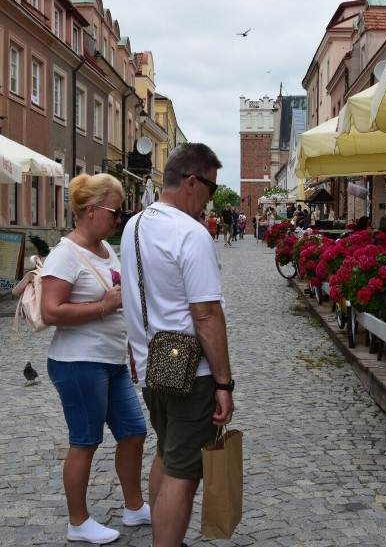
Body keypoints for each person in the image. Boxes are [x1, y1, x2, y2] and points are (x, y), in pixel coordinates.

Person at [120, 143, 234, 547]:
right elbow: (206, 315)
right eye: (211, 189)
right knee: (184, 472)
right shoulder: (191, 233)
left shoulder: (134, 225)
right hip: (192, 373)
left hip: (154, 365)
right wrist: (224, 384)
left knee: (166, 454)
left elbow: (136, 297)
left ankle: (166, 538)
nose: (211, 198)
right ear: (191, 182)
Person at [41, 173, 150, 544]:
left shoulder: (105, 249)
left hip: (110, 360)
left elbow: (122, 301)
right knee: (85, 441)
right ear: (91, 212)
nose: (118, 219)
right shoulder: (65, 255)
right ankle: (78, 521)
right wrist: (104, 306)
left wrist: (133, 346)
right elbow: (51, 310)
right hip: (78, 362)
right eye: (114, 212)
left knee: (134, 433)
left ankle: (134, 507)